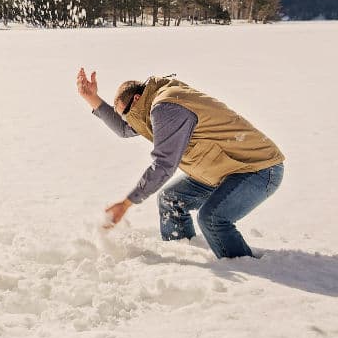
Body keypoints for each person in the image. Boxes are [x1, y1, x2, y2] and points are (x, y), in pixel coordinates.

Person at [75, 68, 284, 258]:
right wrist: (92, 99)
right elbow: (123, 129)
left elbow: (165, 164)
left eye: (126, 114)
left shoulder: (166, 108)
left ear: (137, 99)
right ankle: (186, 257)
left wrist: (127, 203)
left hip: (259, 168)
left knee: (212, 219)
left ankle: (247, 270)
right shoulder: (150, 106)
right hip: (223, 169)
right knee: (171, 199)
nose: (127, 121)